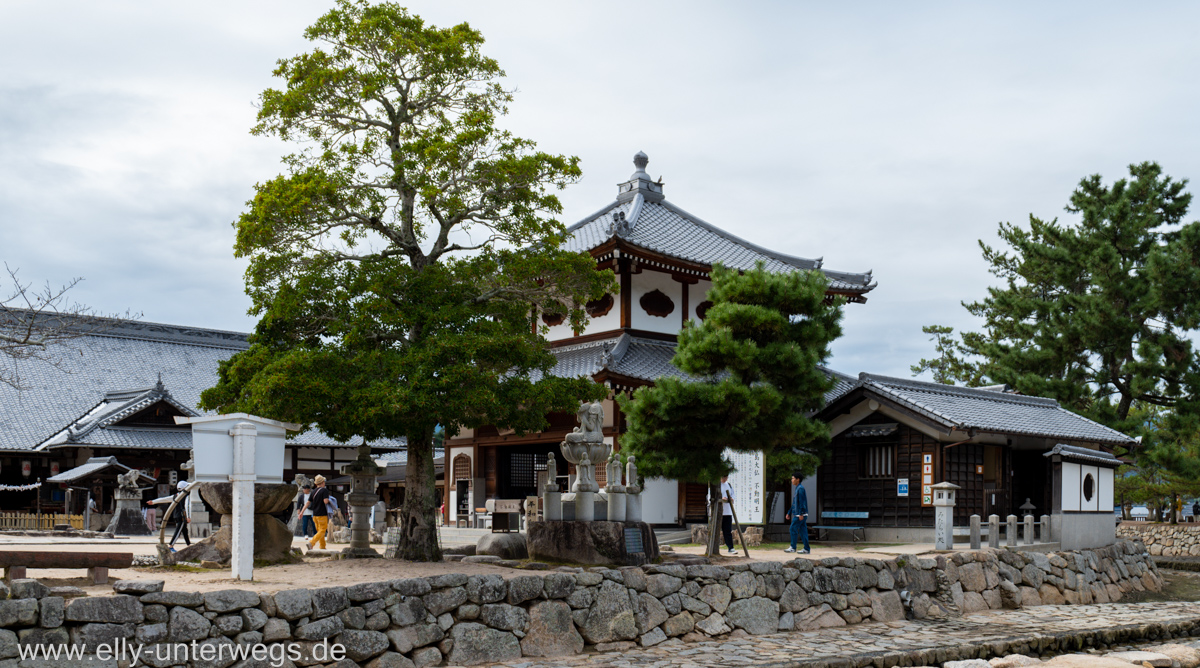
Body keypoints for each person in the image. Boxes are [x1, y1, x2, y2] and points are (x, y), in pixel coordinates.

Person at [148, 481, 192, 551]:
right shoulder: (186, 496)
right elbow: (187, 506)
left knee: (184, 530)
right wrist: (188, 516)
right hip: (182, 516)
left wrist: (153, 501)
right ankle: (171, 546)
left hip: (176, 515)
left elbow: (164, 499)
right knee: (178, 531)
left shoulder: (175, 495)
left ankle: (189, 545)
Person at [298, 475, 332, 550]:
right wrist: (331, 501)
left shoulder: (313, 492)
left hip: (315, 515)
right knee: (322, 530)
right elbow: (325, 501)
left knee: (320, 532)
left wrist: (301, 512)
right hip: (322, 514)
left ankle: (322, 547)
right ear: (323, 482)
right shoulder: (324, 490)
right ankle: (311, 542)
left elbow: (307, 503)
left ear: (316, 484)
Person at [784, 472, 810, 554]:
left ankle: (793, 547)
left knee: (793, 528)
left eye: (793, 478)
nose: (791, 480)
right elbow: (795, 503)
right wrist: (789, 512)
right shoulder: (798, 488)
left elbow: (802, 502)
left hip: (800, 514)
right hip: (800, 514)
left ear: (797, 479)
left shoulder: (800, 489)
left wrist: (801, 513)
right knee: (803, 531)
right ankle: (806, 549)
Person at [719, 475, 736, 555]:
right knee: (716, 530)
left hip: (728, 511)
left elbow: (733, 495)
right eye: (724, 477)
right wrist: (721, 499)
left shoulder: (728, 485)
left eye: (726, 477)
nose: (725, 479)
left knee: (727, 530)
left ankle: (731, 548)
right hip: (718, 511)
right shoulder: (716, 484)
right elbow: (709, 497)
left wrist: (731, 498)